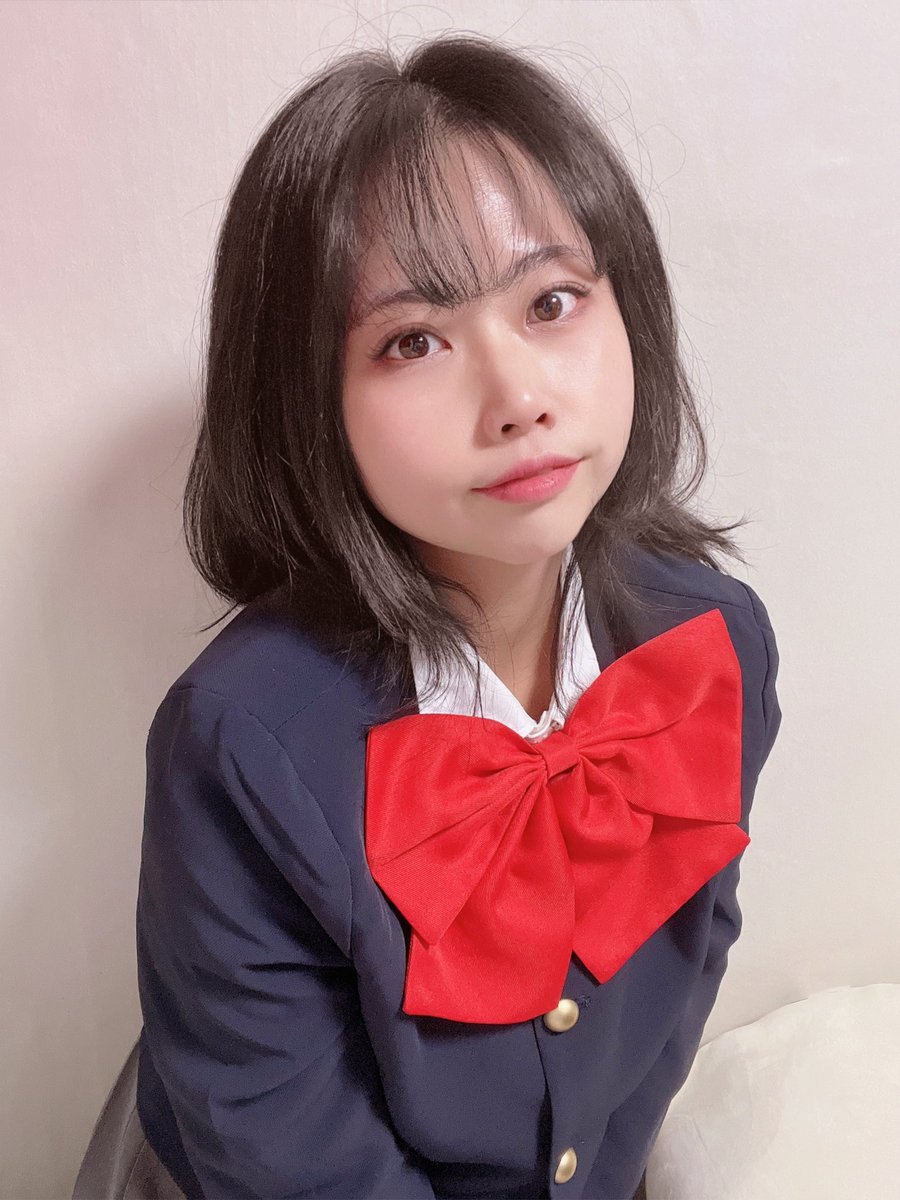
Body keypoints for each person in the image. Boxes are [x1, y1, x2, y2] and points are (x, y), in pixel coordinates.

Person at [74, 31, 782, 1200]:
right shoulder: (240, 742)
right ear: (308, 399)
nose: (518, 398)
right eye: (414, 341)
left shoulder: (713, 643)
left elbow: (688, 962)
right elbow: (290, 1154)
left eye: (553, 301)